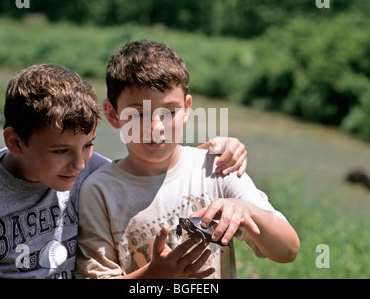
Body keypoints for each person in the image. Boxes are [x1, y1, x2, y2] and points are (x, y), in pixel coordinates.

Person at [0, 63, 247, 279]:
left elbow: (145, 171)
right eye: (61, 151)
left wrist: (217, 150)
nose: (79, 163)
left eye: (88, 145)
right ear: (15, 142)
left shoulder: (94, 174)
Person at [75, 40, 300, 279]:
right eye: (139, 113)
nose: (156, 127)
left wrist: (247, 211)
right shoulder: (100, 191)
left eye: (170, 111)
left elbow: (288, 251)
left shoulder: (216, 168)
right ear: (112, 114)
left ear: (186, 109)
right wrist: (154, 275)